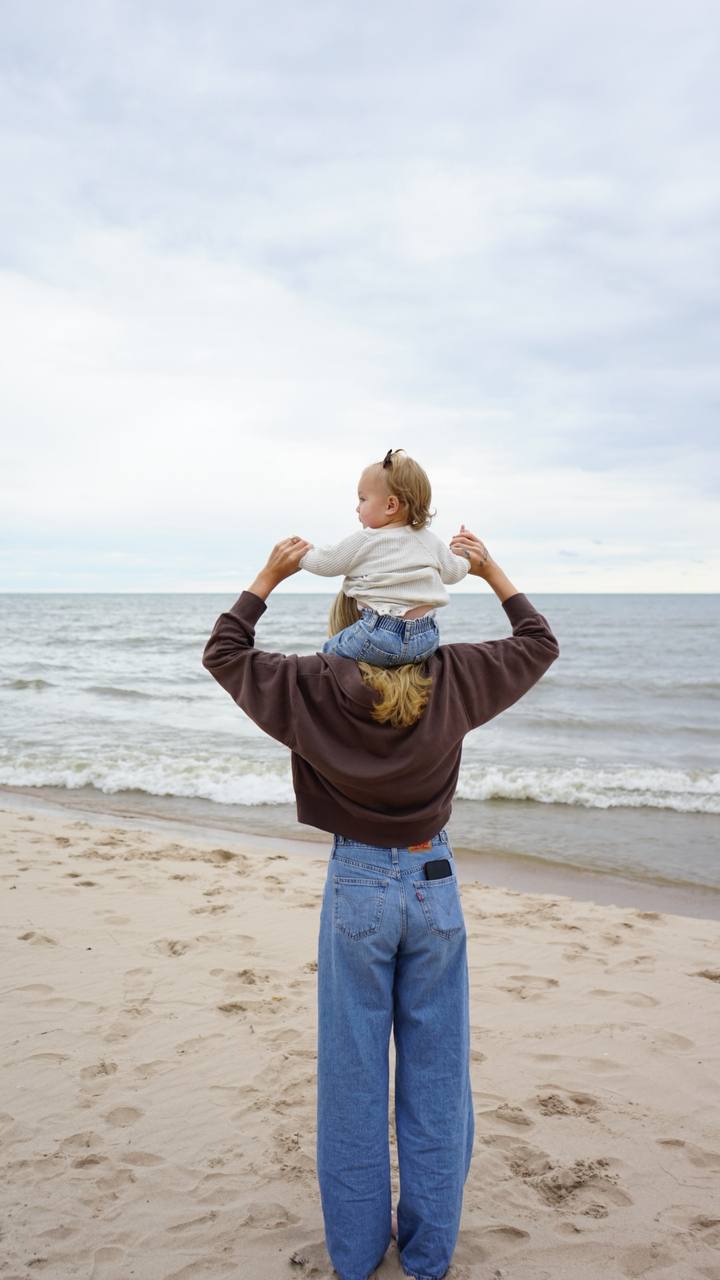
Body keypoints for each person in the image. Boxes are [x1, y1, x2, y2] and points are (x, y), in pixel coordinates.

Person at [201, 527, 560, 1280]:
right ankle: (427, 1257)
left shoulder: (312, 683)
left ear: (350, 614)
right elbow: (537, 642)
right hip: (434, 881)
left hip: (357, 881)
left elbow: (225, 653)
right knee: (437, 1078)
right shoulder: (455, 674)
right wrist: (489, 568)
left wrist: (268, 576)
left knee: (352, 1077)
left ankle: (359, 1255)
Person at [298, 448, 470, 668]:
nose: (357, 508)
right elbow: (454, 573)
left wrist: (302, 554)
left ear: (390, 505)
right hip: (426, 638)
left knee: (328, 656)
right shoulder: (430, 541)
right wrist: (465, 556)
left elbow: (326, 563)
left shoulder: (367, 539)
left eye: (362, 499)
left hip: (378, 635)